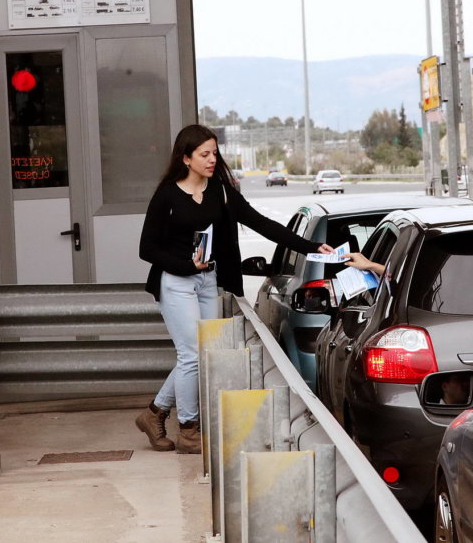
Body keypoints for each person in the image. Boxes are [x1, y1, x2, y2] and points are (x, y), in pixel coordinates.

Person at [137, 124, 332, 454]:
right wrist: (186, 265)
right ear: (186, 159)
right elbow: (147, 249)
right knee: (191, 356)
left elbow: (263, 224)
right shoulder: (167, 195)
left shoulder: (221, 191)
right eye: (204, 154)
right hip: (176, 282)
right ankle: (188, 430)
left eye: (215, 153)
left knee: (201, 355)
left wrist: (311, 246)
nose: (213, 159)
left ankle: (154, 413)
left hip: (208, 281)